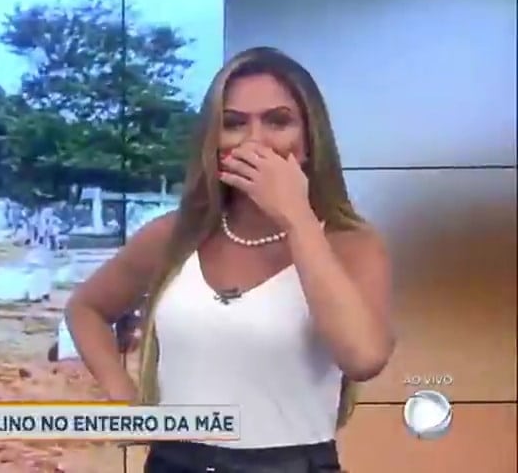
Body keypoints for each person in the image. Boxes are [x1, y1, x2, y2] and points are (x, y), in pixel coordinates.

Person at [64, 47, 394, 472]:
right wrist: (124, 398)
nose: (255, 141)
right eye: (234, 124)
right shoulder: (174, 234)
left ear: (310, 141)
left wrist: (297, 218)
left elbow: (363, 358)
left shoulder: (351, 244)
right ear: (214, 143)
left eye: (278, 121)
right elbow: (86, 308)